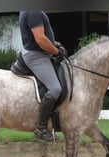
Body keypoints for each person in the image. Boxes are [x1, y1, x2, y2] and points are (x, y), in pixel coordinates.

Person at [19, 11, 67, 141]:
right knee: (55, 89)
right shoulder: (33, 11)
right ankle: (41, 128)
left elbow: (40, 36)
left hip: (41, 53)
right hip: (37, 57)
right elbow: (40, 39)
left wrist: (53, 43)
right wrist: (56, 52)